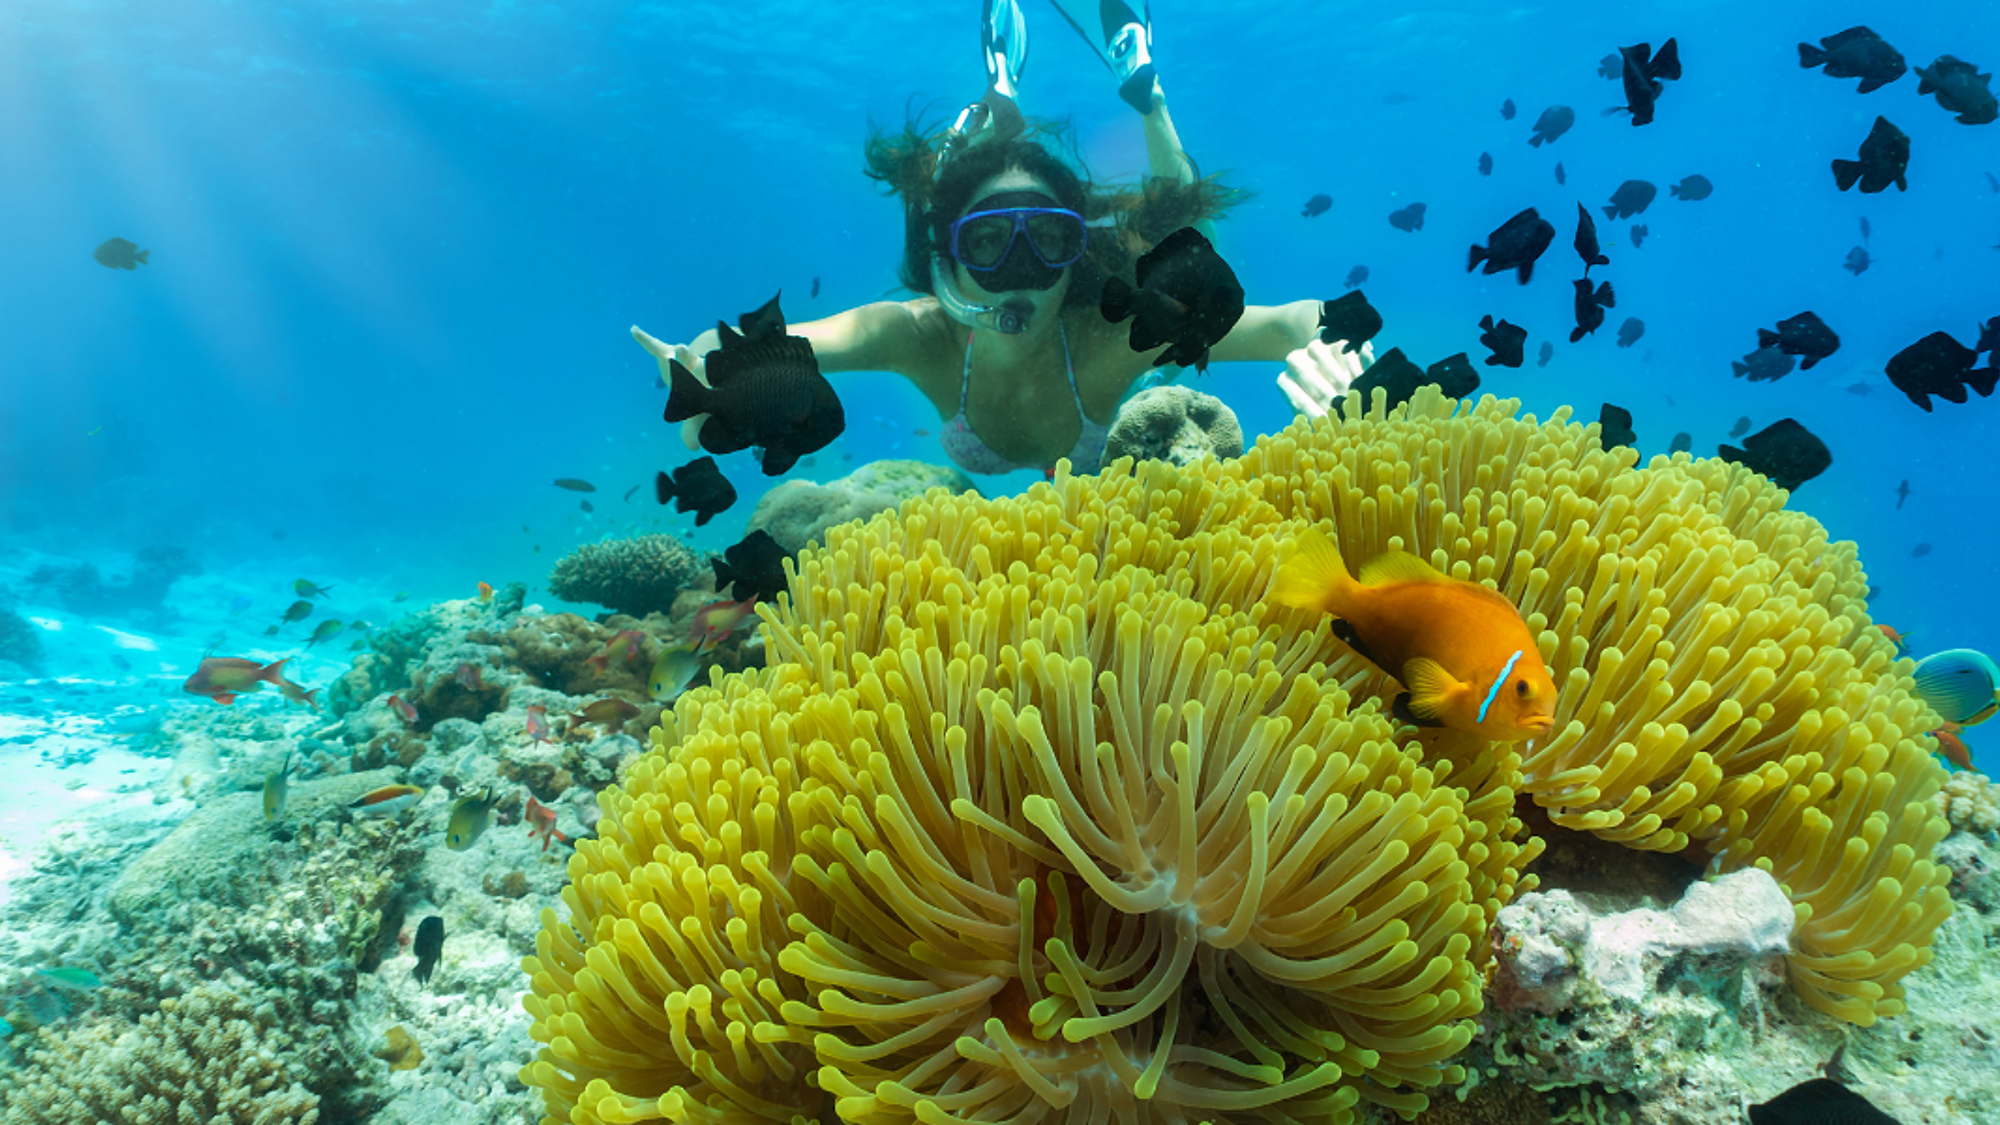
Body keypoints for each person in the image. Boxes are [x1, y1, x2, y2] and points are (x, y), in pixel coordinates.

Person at [635, 0, 1369, 476]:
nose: (1022, 267)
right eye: (987, 243)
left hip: (1126, 297)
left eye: (1048, 238)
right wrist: (696, 369)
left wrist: (1336, 349)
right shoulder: (914, 334)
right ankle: (994, 101)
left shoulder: (1115, 334)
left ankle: (1146, 91)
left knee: (1184, 242)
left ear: (1078, 249)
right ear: (949, 255)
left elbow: (1295, 319)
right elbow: (747, 346)